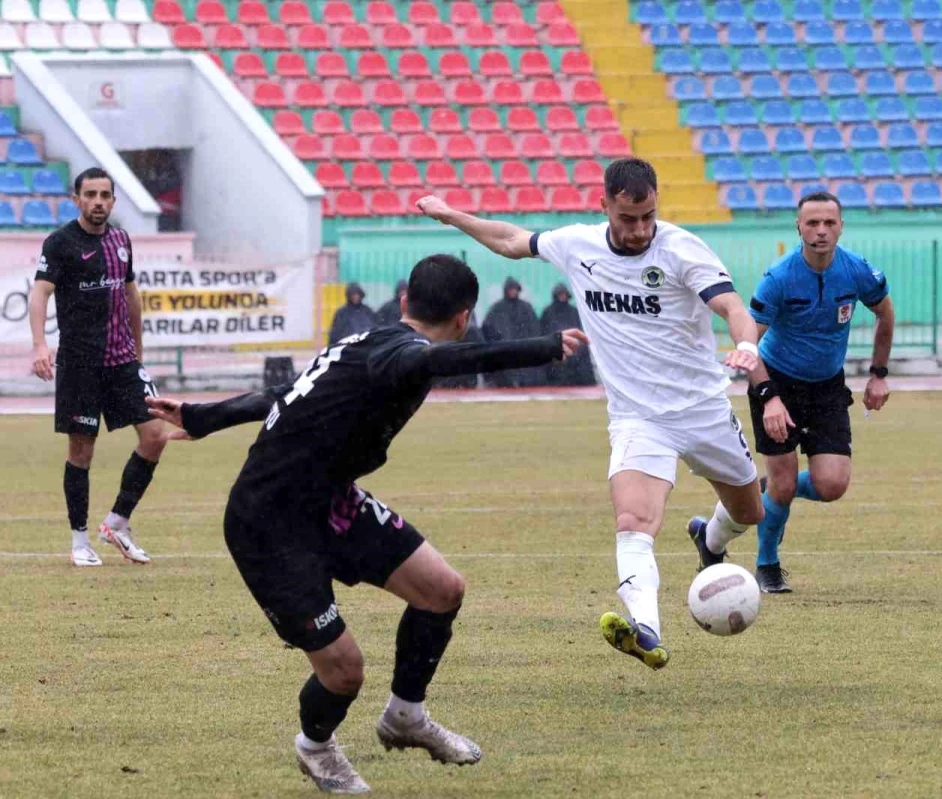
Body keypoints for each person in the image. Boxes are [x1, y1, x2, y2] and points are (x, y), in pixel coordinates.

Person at [145, 254, 587, 794]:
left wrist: (202, 416)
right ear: (464, 318)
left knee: (441, 590)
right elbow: (438, 363)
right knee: (343, 671)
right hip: (269, 521)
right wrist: (544, 347)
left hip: (330, 502)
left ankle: (405, 716)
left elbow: (282, 396)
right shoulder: (403, 355)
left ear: (404, 302)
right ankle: (315, 747)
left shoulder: (366, 344)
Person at [417, 157, 764, 671]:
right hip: (637, 418)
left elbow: (734, 306)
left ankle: (708, 539)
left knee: (748, 512)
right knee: (633, 521)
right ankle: (646, 629)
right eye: (628, 219)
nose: (639, 229)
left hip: (702, 409)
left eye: (648, 216)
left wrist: (746, 345)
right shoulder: (577, 244)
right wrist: (452, 216)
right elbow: (513, 241)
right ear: (604, 206)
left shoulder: (681, 249)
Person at [744, 192, 894, 593]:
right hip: (776, 382)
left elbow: (885, 312)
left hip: (827, 385)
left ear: (841, 226)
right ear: (798, 227)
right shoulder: (779, 277)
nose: (821, 230)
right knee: (785, 484)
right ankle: (767, 564)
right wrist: (768, 397)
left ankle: (774, 489)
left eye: (829, 222)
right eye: (812, 223)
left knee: (832, 485)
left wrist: (878, 374)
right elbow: (747, 342)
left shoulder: (856, 270)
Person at [28, 166, 169, 567]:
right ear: (77, 200)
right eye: (90, 195)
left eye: (105, 195)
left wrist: (139, 352)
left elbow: (130, 296)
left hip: (123, 361)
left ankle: (117, 523)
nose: (98, 202)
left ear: (113, 200)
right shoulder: (60, 243)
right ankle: (79, 541)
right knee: (81, 450)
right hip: (80, 365)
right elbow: (39, 295)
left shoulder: (122, 241)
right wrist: (40, 344)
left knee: (156, 434)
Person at [481, 277, 545, 388]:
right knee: (507, 385)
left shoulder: (526, 308)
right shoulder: (496, 308)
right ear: (506, 290)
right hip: (505, 354)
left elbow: (535, 329)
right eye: (511, 289)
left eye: (515, 289)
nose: (513, 291)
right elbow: (487, 329)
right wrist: (498, 344)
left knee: (526, 384)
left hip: (524, 353)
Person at [540, 283, 595, 386]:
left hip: (575, 349)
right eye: (560, 294)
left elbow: (579, 330)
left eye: (564, 294)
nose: (563, 296)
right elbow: (544, 331)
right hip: (555, 350)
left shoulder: (574, 311)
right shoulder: (548, 312)